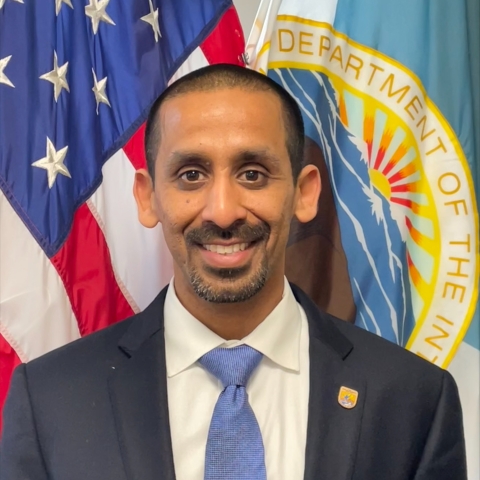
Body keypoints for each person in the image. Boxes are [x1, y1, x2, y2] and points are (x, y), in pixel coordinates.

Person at [0, 64, 466, 480]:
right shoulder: (49, 402)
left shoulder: (414, 400)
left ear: (305, 193)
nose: (222, 213)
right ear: (147, 197)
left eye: (253, 174)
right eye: (191, 175)